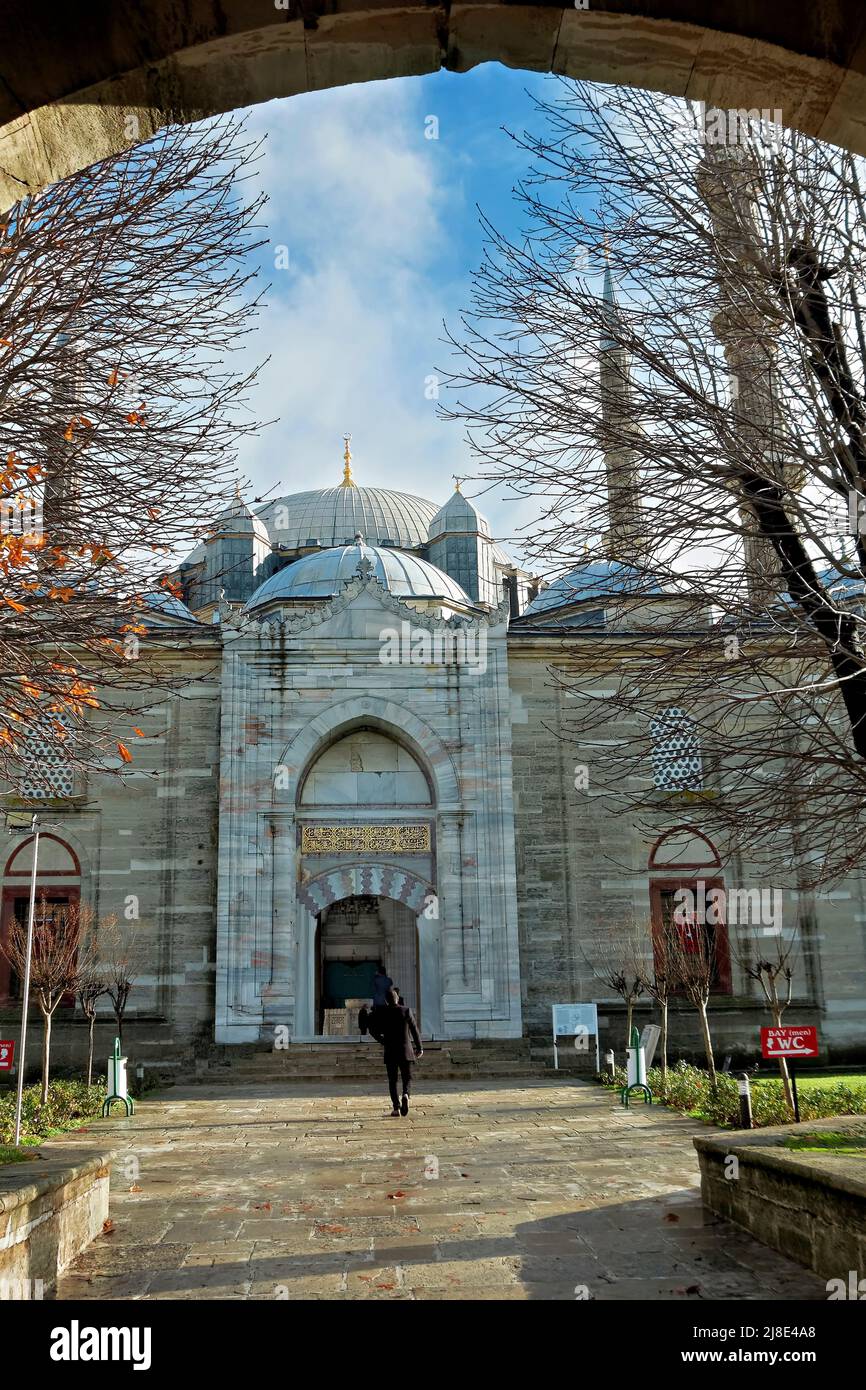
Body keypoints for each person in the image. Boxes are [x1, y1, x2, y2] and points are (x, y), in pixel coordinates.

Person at [368, 986, 422, 1116]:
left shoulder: (381, 1012)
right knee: (407, 1078)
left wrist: (383, 1040)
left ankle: (396, 1108)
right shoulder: (406, 1010)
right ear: (397, 999)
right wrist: (419, 1048)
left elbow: (372, 1029)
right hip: (406, 1051)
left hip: (390, 1050)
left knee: (392, 1081)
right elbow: (414, 1030)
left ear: (386, 1001)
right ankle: (405, 1094)